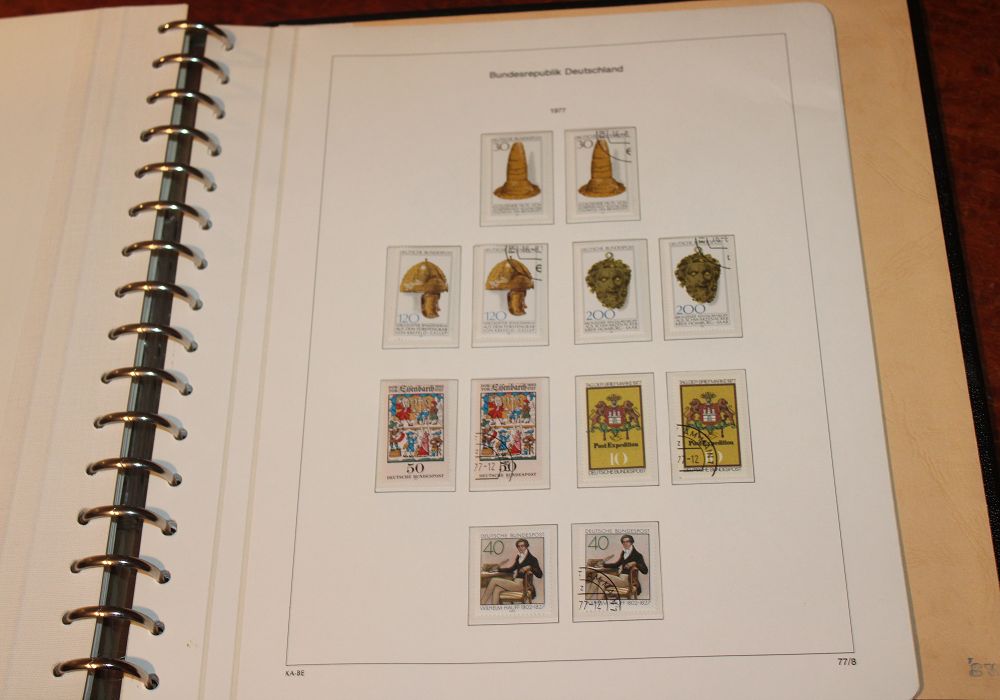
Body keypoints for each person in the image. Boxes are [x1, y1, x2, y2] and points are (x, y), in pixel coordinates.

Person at [480, 539, 543, 605]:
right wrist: (498, 569)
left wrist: (530, 567)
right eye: (518, 546)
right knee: (496, 589)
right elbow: (512, 569)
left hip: (522, 585)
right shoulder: (519, 557)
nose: (520, 548)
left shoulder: (532, 559)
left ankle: (482, 603)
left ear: (526, 546)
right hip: (515, 583)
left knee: (493, 580)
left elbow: (540, 575)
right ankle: (494, 608)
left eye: (522, 546)